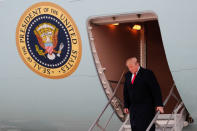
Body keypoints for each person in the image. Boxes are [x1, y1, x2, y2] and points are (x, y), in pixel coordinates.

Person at [123, 57, 164, 131]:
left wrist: (159, 104)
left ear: (137, 64)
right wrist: (126, 105)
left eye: (131, 67)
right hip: (133, 108)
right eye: (129, 67)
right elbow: (126, 91)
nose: (130, 69)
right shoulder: (128, 75)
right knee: (135, 127)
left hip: (146, 107)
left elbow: (155, 89)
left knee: (147, 127)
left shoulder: (147, 73)